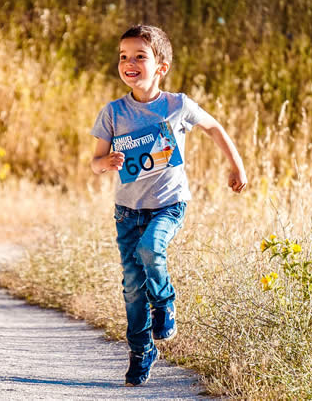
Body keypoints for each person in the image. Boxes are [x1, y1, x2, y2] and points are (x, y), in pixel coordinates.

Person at [90, 24, 247, 386]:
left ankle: (164, 301)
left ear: (160, 66)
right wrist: (107, 163)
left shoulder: (177, 105)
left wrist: (236, 165)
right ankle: (142, 349)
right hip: (127, 212)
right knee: (131, 285)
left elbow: (214, 128)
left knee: (151, 249)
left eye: (139, 57)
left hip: (168, 205)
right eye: (123, 57)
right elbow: (95, 161)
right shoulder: (113, 113)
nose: (129, 63)